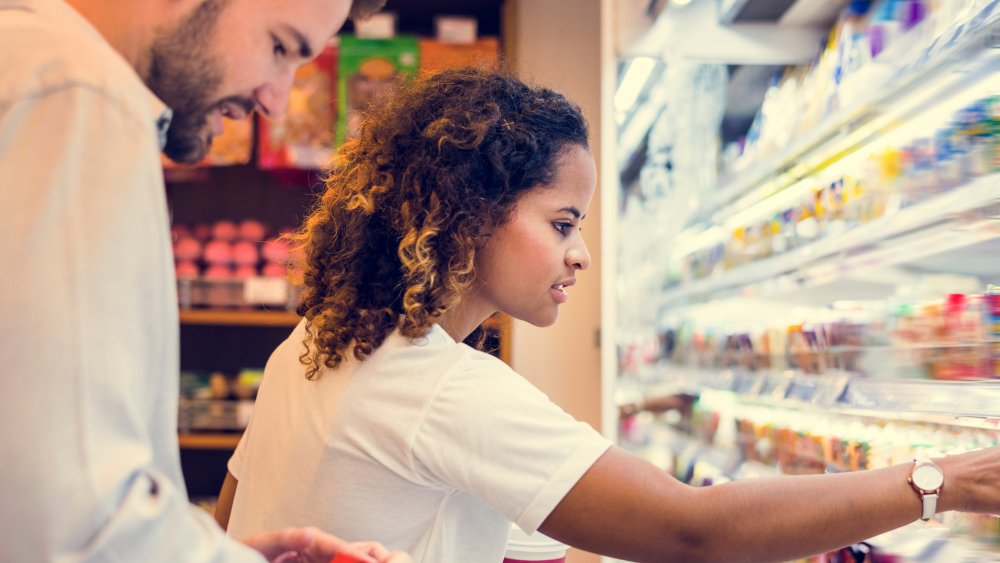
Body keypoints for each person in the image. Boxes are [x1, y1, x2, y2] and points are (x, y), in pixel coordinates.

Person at [216, 66, 1000, 562]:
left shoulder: (316, 342)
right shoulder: (442, 387)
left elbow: (234, 509)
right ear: (470, 212)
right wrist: (947, 480)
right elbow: (695, 529)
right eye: (562, 224)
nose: (580, 254)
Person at [0, 0, 410, 561]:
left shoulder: (23, 54)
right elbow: (76, 520)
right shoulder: (81, 94)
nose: (277, 100)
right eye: (279, 47)